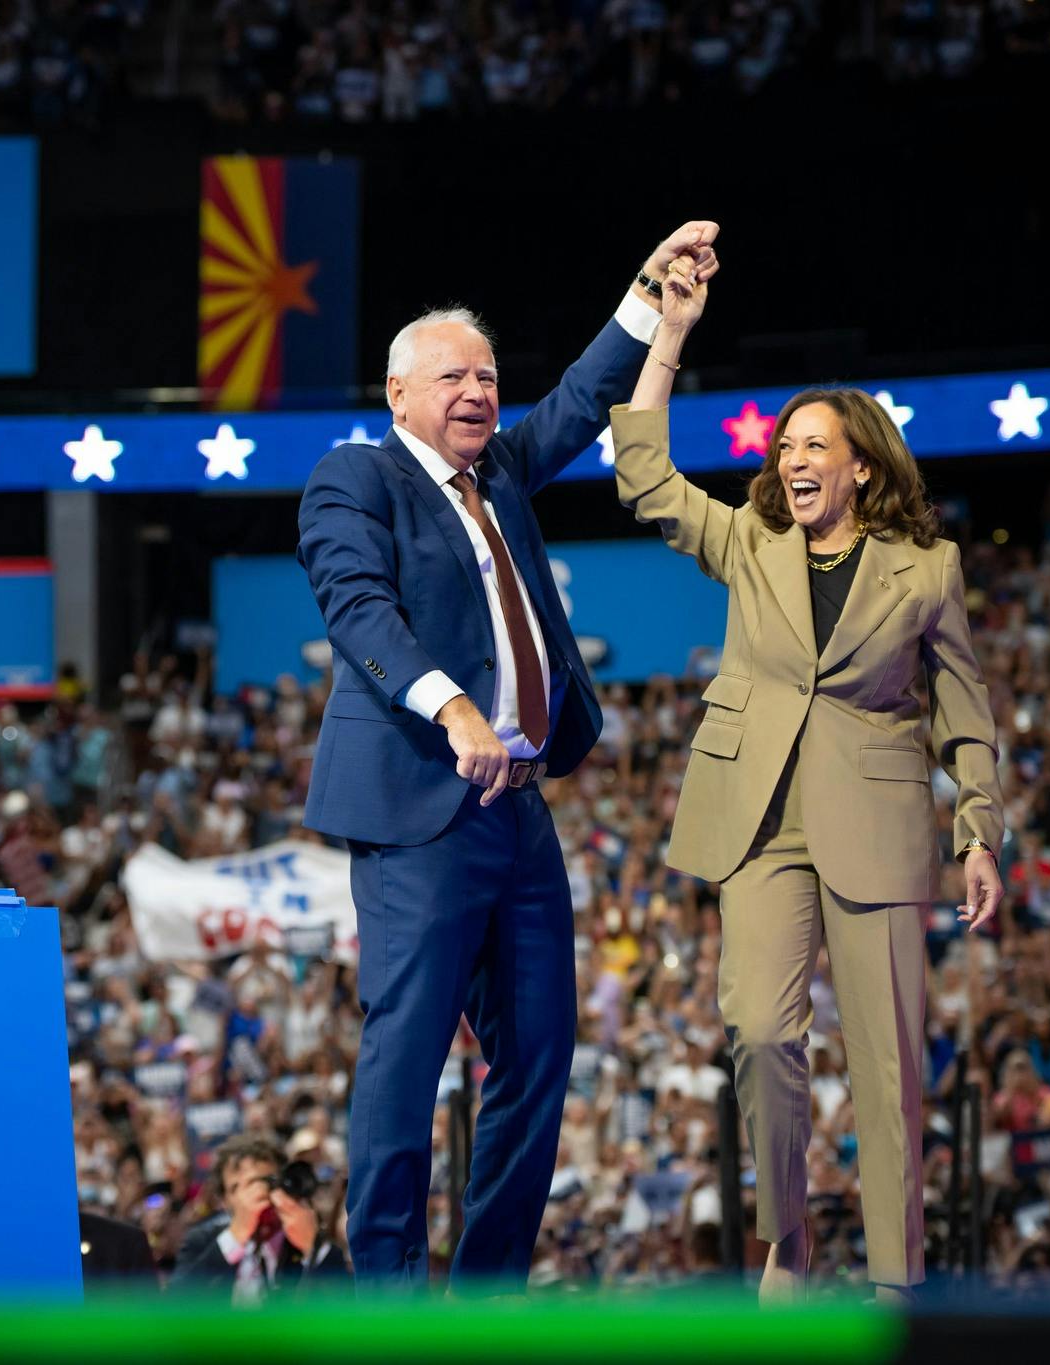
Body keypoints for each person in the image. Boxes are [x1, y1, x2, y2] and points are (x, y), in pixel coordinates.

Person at [296, 222, 723, 1292]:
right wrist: (450, 708)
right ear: (398, 394)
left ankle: (486, 1294)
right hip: (421, 807)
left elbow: (581, 397)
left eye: (486, 376)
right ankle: (387, 1297)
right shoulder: (355, 479)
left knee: (537, 1058)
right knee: (407, 1051)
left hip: (519, 811)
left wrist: (649, 294)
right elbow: (358, 607)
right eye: (452, 376)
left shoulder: (502, 477)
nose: (476, 392)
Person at [609, 258, 1003, 1303]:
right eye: (784, 446)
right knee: (760, 1034)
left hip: (876, 826)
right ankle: (787, 1238)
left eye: (813, 446)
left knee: (887, 1067)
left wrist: (978, 830)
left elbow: (964, 710)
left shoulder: (927, 569)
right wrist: (667, 336)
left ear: (860, 467)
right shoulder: (751, 542)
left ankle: (897, 1282)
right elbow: (643, 476)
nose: (792, 459)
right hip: (759, 823)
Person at [170, 1135, 349, 1300]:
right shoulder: (201, 1241)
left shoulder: (306, 1235)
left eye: (263, 1181)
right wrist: (235, 1237)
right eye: (236, 1187)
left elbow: (344, 1305)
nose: (253, 1194)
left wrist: (313, 1247)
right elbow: (175, 1308)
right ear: (224, 1201)